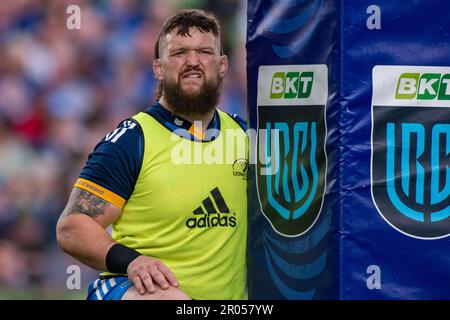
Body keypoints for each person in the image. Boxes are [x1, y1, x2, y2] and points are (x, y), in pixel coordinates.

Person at [56, 9, 248, 300]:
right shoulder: (133, 139)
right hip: (131, 291)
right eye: (179, 53)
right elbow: (72, 227)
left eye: (204, 52)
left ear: (222, 65)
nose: (193, 61)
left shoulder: (246, 137)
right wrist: (132, 261)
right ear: (158, 67)